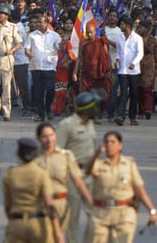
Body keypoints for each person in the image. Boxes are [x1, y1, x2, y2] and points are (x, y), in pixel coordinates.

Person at [84, 131, 157, 242]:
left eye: (113, 142)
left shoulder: (129, 164)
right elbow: (87, 170)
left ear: (120, 145)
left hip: (123, 214)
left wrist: (152, 211)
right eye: (107, 142)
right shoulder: (98, 164)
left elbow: (139, 190)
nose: (110, 145)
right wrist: (96, 154)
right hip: (100, 214)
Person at [35, 122, 93, 240]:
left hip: (61, 205)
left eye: (51, 135)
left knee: (58, 236)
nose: (49, 139)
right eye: (45, 136)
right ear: (39, 139)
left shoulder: (65, 156)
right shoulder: (34, 158)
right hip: (41, 205)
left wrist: (91, 203)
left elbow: (78, 181)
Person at [56, 91, 99, 243]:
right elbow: (57, 152)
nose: (97, 110)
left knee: (96, 217)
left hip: (89, 175)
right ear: (87, 109)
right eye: (94, 107)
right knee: (70, 220)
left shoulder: (91, 124)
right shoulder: (66, 125)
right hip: (72, 178)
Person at [2, 138, 63, 243]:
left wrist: (13, 222)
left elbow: (7, 206)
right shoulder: (41, 173)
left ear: (18, 154)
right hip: (38, 223)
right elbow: (49, 205)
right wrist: (58, 233)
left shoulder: (10, 174)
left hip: (17, 223)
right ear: (35, 154)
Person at [25, 14, 62, 122]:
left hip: (49, 66)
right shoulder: (32, 35)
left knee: (50, 89)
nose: (38, 24)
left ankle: (48, 107)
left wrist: (63, 46)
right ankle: (41, 114)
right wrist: (29, 54)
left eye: (40, 22)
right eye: (37, 22)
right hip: (36, 66)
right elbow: (27, 48)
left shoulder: (54, 35)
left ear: (46, 23)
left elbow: (59, 47)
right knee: (38, 91)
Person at [114, 15, 144, 126]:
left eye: (121, 24)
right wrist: (117, 60)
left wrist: (134, 63)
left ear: (127, 25)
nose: (120, 26)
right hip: (122, 70)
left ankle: (132, 117)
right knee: (123, 94)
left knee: (134, 93)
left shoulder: (137, 38)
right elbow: (118, 52)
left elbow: (140, 53)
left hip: (134, 71)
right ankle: (121, 116)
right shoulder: (119, 38)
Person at [72, 24, 112, 108]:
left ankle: (95, 114)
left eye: (91, 32)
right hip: (86, 72)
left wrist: (109, 69)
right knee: (85, 93)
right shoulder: (83, 42)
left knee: (96, 94)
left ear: (95, 32)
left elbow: (107, 56)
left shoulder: (101, 42)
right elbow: (79, 57)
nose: (89, 34)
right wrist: (75, 72)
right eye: (87, 32)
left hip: (98, 73)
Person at [136, 19, 157, 120]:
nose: (139, 29)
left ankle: (148, 109)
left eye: (141, 27)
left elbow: (151, 50)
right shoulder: (135, 38)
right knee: (139, 89)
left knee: (148, 89)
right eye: (138, 27)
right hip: (137, 65)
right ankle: (140, 110)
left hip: (149, 66)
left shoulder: (152, 39)